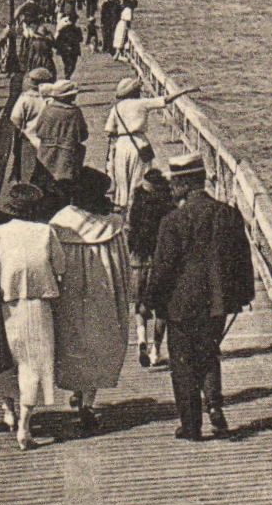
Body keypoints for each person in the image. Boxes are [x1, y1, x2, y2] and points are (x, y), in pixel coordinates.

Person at [141, 153, 254, 441]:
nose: (171, 188)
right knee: (209, 352)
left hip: (181, 305)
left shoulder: (173, 221)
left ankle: (191, 425)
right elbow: (243, 260)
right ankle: (215, 408)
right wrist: (243, 296)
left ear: (184, 185)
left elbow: (163, 268)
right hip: (218, 303)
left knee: (183, 363)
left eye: (175, 182)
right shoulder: (228, 214)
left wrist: (150, 300)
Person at [0, 183, 64, 449]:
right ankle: (24, 425)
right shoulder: (46, 232)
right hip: (38, 307)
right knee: (33, 366)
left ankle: (8, 409)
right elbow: (61, 265)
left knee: (3, 361)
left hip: (4, 306)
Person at [49, 168, 130, 436]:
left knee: (72, 341)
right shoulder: (113, 225)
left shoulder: (60, 224)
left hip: (69, 293)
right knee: (97, 341)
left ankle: (76, 389)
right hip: (102, 293)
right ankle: (88, 402)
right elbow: (123, 266)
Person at [104, 77, 196, 211]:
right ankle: (135, 206)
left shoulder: (116, 108)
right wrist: (183, 90)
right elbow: (166, 100)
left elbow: (110, 131)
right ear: (135, 91)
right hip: (140, 143)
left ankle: (122, 206)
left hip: (121, 144)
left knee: (122, 179)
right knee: (140, 177)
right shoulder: (141, 103)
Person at [126, 166, 173, 368]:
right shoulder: (167, 208)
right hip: (159, 260)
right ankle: (156, 350)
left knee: (140, 305)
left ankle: (141, 339)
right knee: (162, 308)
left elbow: (129, 230)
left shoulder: (137, 204)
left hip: (138, 259)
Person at [32, 81, 89, 214]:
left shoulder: (48, 110)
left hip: (46, 154)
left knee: (46, 189)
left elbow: (39, 131)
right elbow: (83, 135)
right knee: (65, 191)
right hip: (67, 156)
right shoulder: (74, 112)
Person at [10, 67, 56, 154]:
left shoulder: (26, 98)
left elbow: (15, 118)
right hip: (49, 140)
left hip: (30, 138)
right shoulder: (52, 98)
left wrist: (22, 128)